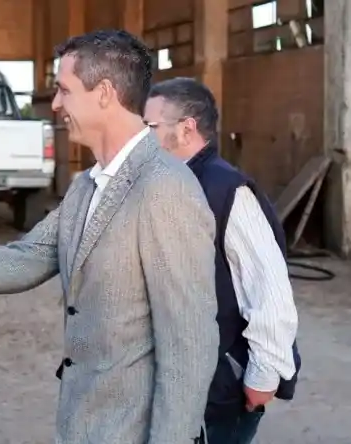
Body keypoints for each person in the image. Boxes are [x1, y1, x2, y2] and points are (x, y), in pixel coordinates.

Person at [0, 30, 219, 444]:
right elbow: (26, 257)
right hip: (83, 422)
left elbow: (188, 342)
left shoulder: (164, 187)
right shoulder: (89, 184)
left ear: (104, 93)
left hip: (132, 430)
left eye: (64, 90)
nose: (57, 104)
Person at [144, 77, 300, 444]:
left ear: (186, 128)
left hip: (224, 380)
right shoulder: (171, 182)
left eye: (150, 127)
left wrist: (262, 374)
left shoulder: (228, 190)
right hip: (185, 376)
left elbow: (268, 287)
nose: (142, 137)